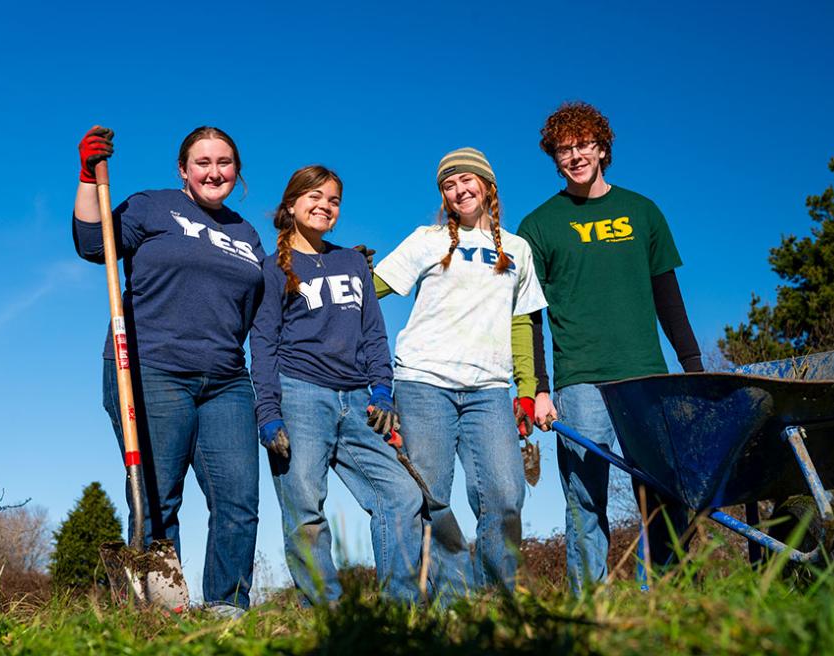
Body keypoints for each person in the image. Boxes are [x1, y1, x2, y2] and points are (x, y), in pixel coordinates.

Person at [72, 125, 263, 611]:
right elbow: (94, 243)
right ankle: (163, 612)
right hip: (153, 368)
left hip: (226, 380)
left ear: (236, 171)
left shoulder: (246, 232)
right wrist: (89, 175)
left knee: (238, 503)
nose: (214, 171)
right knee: (159, 500)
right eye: (203, 162)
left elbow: (273, 298)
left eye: (224, 162)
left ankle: (227, 610)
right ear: (184, 170)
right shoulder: (153, 206)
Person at [516, 101, 703, 593]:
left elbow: (669, 296)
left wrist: (694, 366)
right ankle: (590, 610)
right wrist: (536, 388)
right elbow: (529, 316)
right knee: (584, 498)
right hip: (580, 381)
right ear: (554, 158)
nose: (574, 155)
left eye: (583, 145)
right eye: (564, 148)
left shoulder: (643, 211)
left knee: (665, 493)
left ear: (602, 149)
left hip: (648, 377)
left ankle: (671, 600)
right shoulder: (538, 226)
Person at [373, 148, 547, 597]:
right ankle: (454, 602)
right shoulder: (426, 240)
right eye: (448, 185)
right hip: (424, 380)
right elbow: (375, 286)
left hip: (489, 389)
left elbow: (522, 322)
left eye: (466, 180)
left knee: (506, 496)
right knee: (432, 497)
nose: (458, 190)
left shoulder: (518, 250)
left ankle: (499, 596)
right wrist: (332, 268)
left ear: (488, 186)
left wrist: (527, 391)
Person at [249, 165, 424, 605]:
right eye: (314, 196)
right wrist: (268, 412)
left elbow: (373, 332)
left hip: (360, 399)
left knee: (401, 496)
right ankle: (326, 615)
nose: (325, 205)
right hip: (300, 394)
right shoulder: (272, 270)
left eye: (334, 200)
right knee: (305, 510)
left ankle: (399, 609)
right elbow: (264, 343)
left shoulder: (351, 262)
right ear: (291, 205)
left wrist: (382, 387)